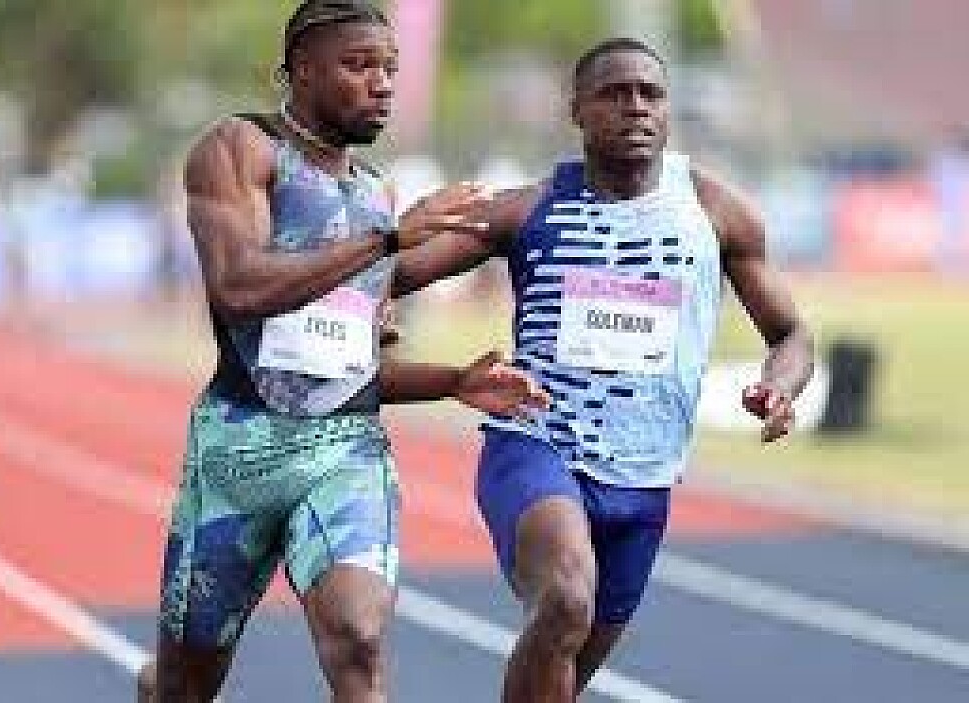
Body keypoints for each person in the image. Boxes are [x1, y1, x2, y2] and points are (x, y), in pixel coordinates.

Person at [140, 2, 549, 701]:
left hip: (345, 450)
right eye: (359, 66)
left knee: (358, 640)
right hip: (237, 453)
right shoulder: (241, 148)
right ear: (301, 70)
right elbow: (238, 287)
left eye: (389, 67)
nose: (381, 83)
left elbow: (344, 369)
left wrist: (452, 380)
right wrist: (390, 241)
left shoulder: (374, 191)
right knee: (185, 684)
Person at [392, 37, 814, 702]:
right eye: (615, 94)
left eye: (651, 94)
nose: (636, 107)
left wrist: (781, 387)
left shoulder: (715, 212)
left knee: (564, 669)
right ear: (578, 112)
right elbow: (389, 275)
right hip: (536, 444)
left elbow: (791, 335)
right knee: (565, 600)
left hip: (645, 476)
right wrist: (380, 268)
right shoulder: (528, 209)